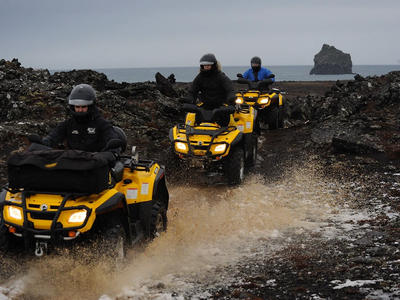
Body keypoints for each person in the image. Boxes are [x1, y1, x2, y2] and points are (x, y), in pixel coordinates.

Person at [41, 84, 119, 157]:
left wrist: (112, 153)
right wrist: (41, 144)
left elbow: (113, 142)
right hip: (72, 164)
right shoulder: (67, 124)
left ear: (91, 106)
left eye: (83, 107)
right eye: (77, 107)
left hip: (96, 164)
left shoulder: (102, 124)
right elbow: (52, 138)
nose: (80, 110)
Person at [187, 53, 236, 126]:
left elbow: (230, 88)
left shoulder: (221, 76)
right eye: (204, 65)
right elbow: (192, 91)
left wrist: (231, 99)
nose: (206, 66)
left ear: (213, 65)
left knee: (227, 121)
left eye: (208, 65)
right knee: (195, 118)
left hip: (220, 105)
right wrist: (190, 99)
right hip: (205, 104)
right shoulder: (200, 77)